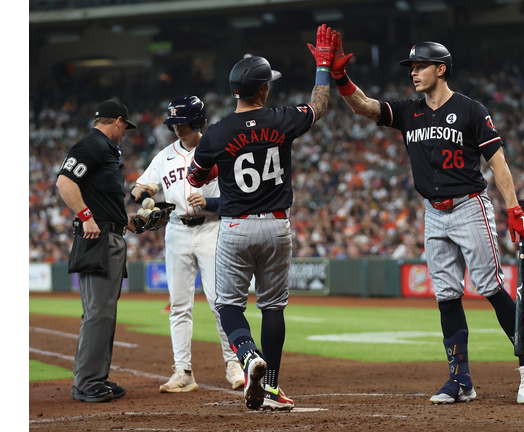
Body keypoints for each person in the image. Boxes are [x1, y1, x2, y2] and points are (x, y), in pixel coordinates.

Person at [327, 35, 524, 404]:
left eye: (420, 66)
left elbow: (497, 161)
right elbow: (364, 107)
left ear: (440, 69)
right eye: (412, 67)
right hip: (433, 210)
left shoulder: (471, 110)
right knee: (446, 295)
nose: (414, 72)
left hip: (469, 206)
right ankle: (460, 380)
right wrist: (340, 78)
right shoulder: (410, 111)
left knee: (490, 287)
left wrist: (513, 208)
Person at [186, 25, 336, 410]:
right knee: (273, 307)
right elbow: (319, 105)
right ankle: (271, 387)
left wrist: (226, 163)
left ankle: (248, 355)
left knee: (230, 307)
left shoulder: (216, 133)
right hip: (276, 225)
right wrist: (322, 64)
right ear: (263, 89)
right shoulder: (282, 119)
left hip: (235, 227)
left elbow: (195, 178)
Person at [130, 95, 245, 393]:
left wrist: (211, 202)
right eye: (173, 124)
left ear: (197, 122)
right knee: (179, 306)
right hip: (177, 230)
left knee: (220, 302)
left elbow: (237, 197)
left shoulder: (219, 149)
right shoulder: (164, 156)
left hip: (212, 228)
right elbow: (139, 187)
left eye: (181, 123)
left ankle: (234, 363)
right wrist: (143, 190)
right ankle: (183, 371)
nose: (176, 129)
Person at [56, 99, 139, 403]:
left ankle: (96, 378)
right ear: (118, 121)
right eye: (125, 128)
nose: (126, 133)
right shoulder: (93, 145)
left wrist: (129, 222)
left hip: (110, 234)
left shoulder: (103, 149)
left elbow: (98, 196)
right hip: (98, 238)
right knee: (98, 312)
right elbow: (65, 182)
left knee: (104, 313)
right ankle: (87, 382)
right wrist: (86, 215)